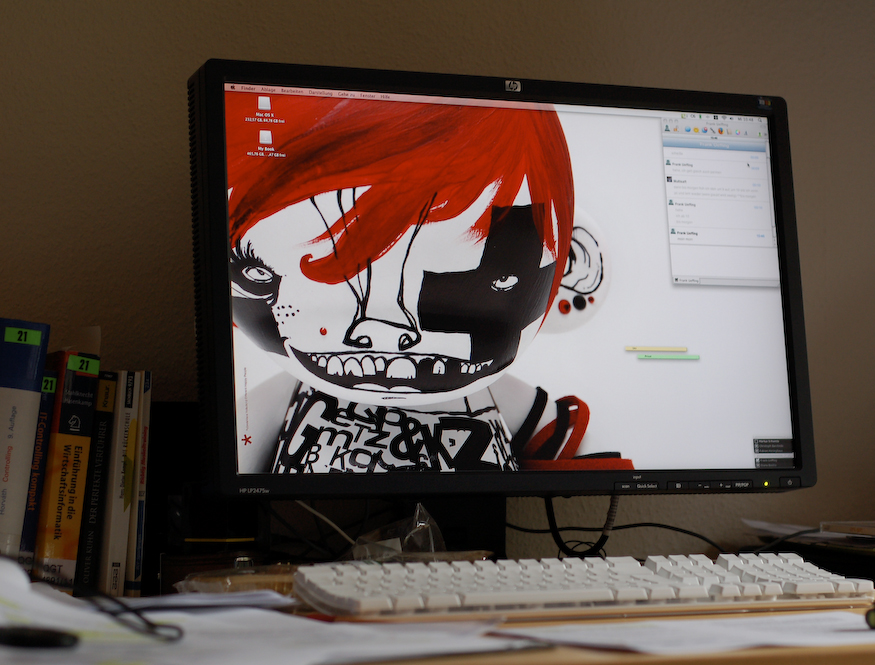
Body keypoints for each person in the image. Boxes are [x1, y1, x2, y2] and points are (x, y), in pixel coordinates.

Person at [227, 96, 631, 473]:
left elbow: (584, 453)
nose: (383, 329)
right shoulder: (286, 393)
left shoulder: (489, 389)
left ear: (569, 263)